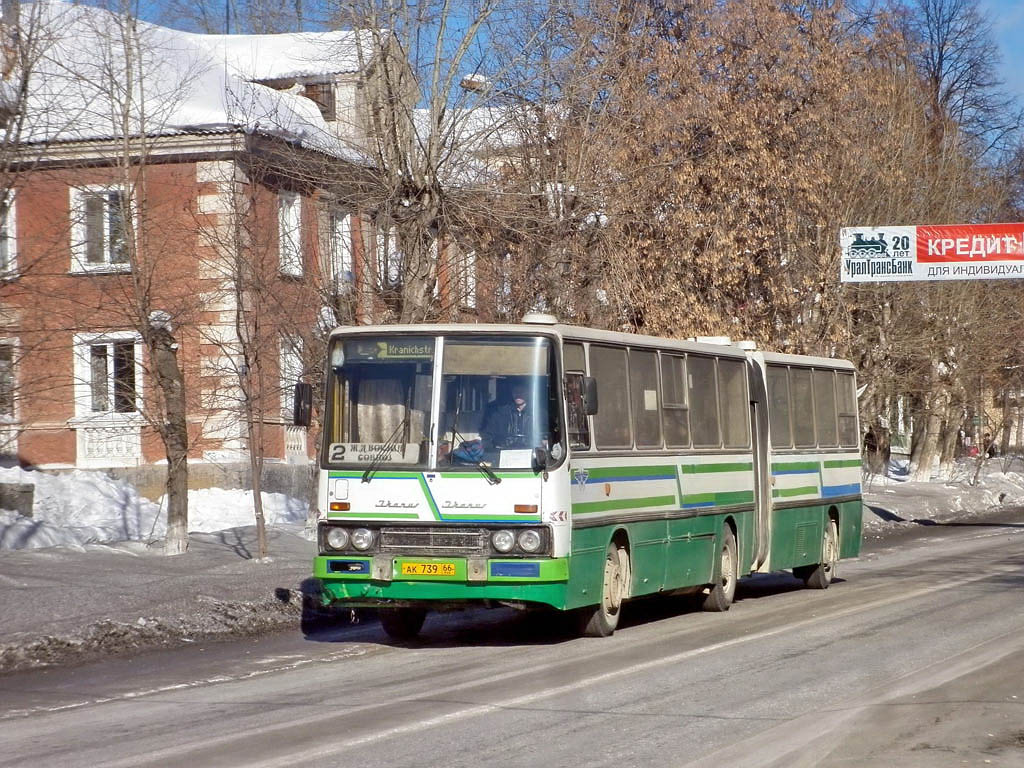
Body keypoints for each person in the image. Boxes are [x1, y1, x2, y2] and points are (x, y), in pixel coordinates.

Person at [482, 383, 533, 450]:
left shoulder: (535, 413)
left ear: (528, 393)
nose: (518, 394)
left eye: (522, 392)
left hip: (529, 451)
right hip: (504, 451)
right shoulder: (500, 413)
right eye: (515, 392)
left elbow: (541, 437)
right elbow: (488, 435)